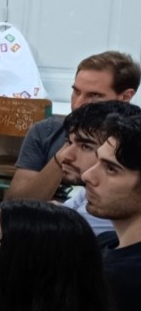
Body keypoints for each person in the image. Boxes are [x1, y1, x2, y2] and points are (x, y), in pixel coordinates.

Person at [78, 111, 141, 311]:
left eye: (111, 169)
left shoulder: (122, 279)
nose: (88, 176)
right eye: (97, 161)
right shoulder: (107, 245)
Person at [8, 51, 139, 203]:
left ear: (125, 97)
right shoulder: (46, 131)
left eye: (94, 95)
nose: (77, 104)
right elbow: (14, 203)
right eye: (76, 91)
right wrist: (64, 154)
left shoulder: (134, 142)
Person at [44, 100, 138, 243]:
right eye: (69, 142)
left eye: (86, 147)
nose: (65, 155)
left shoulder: (110, 204)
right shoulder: (107, 239)